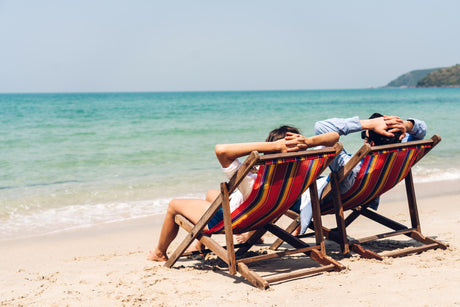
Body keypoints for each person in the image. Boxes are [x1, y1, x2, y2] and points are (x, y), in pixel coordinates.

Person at [148, 126, 340, 262]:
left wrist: (274, 147)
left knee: (174, 205)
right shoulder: (306, 169)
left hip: (233, 220)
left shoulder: (253, 180)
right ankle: (199, 244)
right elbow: (334, 137)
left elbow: (221, 150)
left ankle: (159, 253)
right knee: (211, 194)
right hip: (262, 215)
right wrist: (308, 142)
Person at [285, 113, 427, 234]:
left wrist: (368, 124)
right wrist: (406, 125)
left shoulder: (353, 169)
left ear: (369, 141)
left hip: (311, 200)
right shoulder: (403, 152)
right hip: (363, 195)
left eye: (364, 136)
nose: (363, 138)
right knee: (316, 178)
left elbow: (321, 127)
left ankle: (291, 219)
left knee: (286, 187)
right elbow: (422, 129)